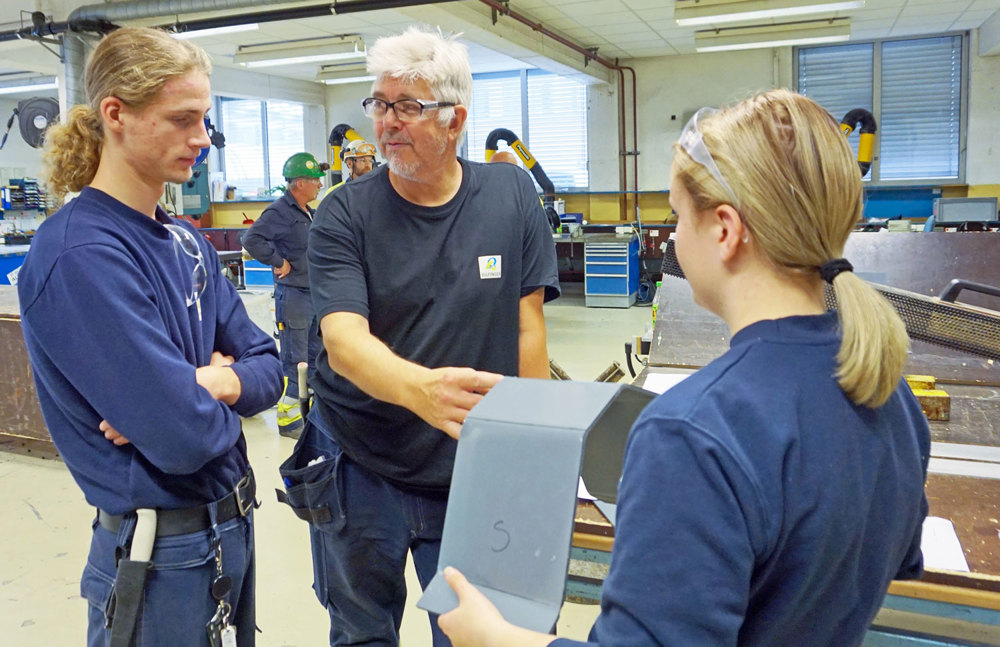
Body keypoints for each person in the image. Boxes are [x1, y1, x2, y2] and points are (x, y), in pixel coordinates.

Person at [437, 89, 930, 647]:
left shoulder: (689, 433)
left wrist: (493, 638)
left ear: (725, 229)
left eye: (677, 216)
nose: (673, 237)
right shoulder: (889, 392)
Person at [282, 26, 560, 647]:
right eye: (380, 105)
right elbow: (344, 343)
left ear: (455, 119)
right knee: (361, 633)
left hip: (469, 472)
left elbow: (527, 326)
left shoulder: (511, 195)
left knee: (474, 635)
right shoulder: (342, 212)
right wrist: (422, 393)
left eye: (408, 107)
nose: (388, 122)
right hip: (360, 464)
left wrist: (536, 447)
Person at [18, 26, 282, 647]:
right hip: (160, 552)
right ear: (116, 115)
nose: (202, 139)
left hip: (232, 525)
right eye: (182, 119)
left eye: (205, 120)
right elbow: (183, 438)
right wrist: (201, 401)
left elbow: (271, 364)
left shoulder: (185, 239)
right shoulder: (81, 254)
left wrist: (208, 382)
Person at [243, 152, 325, 438]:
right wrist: (279, 261)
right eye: (315, 180)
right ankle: (288, 421)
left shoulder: (308, 212)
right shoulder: (279, 211)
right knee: (295, 359)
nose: (319, 185)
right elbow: (251, 239)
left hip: (313, 294)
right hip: (293, 298)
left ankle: (311, 416)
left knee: (315, 359)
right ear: (299, 183)